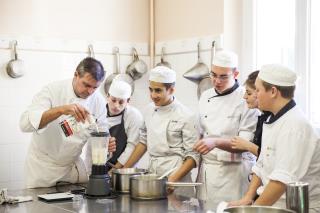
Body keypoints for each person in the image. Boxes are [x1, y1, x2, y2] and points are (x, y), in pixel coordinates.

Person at [229, 64, 320, 212]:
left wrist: (254, 210)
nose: (255, 95)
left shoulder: (295, 126)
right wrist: (248, 198)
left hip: (297, 207)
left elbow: (281, 181)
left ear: (273, 91)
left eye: (257, 90)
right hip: (275, 204)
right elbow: (262, 165)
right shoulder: (272, 119)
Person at [20, 57, 115, 188]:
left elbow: (101, 136)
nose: (90, 92)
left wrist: (106, 145)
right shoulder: (52, 91)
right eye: (86, 85)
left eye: (95, 87)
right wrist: (61, 110)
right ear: (76, 75)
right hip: (42, 170)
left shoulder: (97, 101)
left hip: (71, 169)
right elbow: (25, 124)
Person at [193, 50, 259, 202]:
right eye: (213, 75)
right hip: (208, 173)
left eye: (223, 76)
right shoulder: (205, 96)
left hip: (234, 174)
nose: (216, 81)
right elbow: (200, 132)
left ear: (236, 74)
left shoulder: (246, 98)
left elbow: (244, 144)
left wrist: (214, 141)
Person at [123, 66, 200, 195]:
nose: (153, 95)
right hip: (154, 174)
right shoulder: (148, 110)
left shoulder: (186, 115)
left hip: (177, 178)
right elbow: (143, 142)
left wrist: (172, 180)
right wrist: (125, 171)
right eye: (151, 90)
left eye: (158, 91)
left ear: (171, 90)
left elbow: (193, 156)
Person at [85, 80, 143, 171]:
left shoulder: (134, 116)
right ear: (107, 96)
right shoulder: (98, 112)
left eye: (121, 102)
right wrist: (89, 170)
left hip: (123, 168)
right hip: (98, 165)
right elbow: (90, 145)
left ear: (128, 101)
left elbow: (132, 146)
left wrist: (116, 170)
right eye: (113, 100)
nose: (116, 106)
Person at [231, 71, 271, 157]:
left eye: (249, 93)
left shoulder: (274, 119)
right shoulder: (263, 117)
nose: (244, 96)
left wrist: (246, 145)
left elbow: (268, 157)